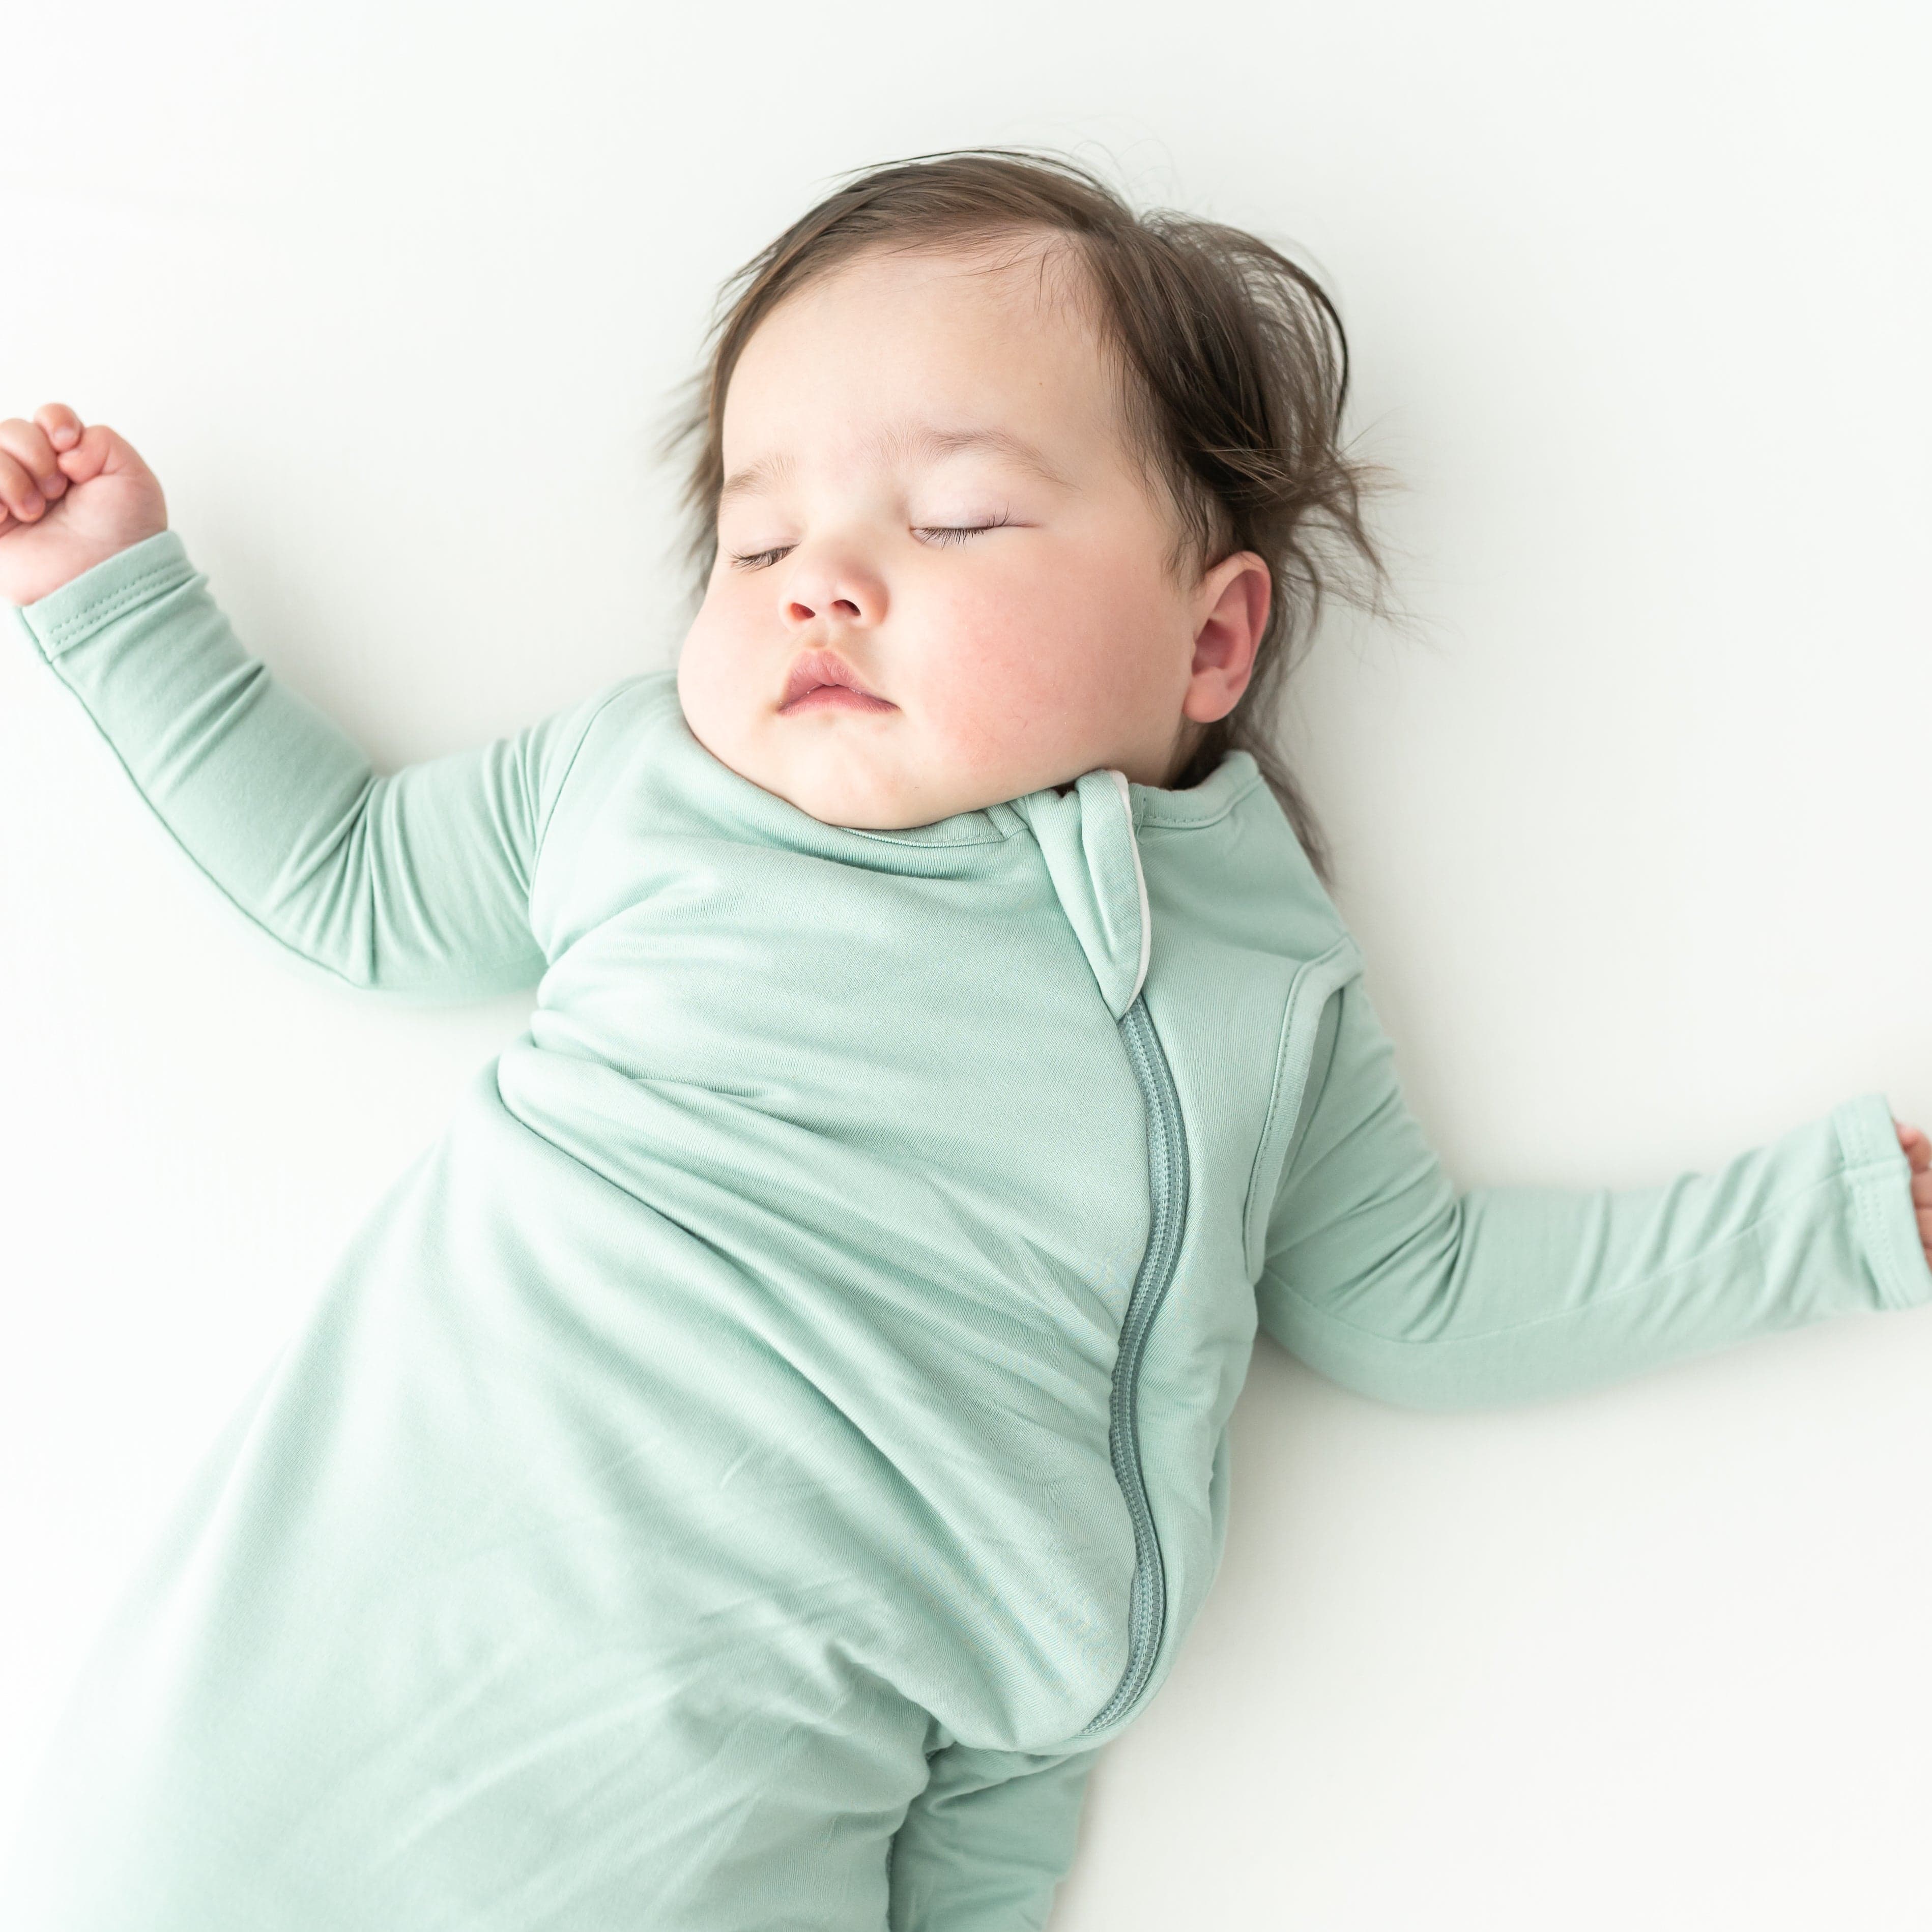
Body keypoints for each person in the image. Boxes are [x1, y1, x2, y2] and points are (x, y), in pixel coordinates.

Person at [2, 150, 1928, 1932]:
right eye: (755, 546)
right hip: (310, 1707)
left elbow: (1414, 1296)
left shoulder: (1265, 972)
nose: (823, 580)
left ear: (1211, 641)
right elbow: (346, 879)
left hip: (828, 1761)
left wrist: (1839, 1215)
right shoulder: (641, 789)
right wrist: (115, 591)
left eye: (957, 516)